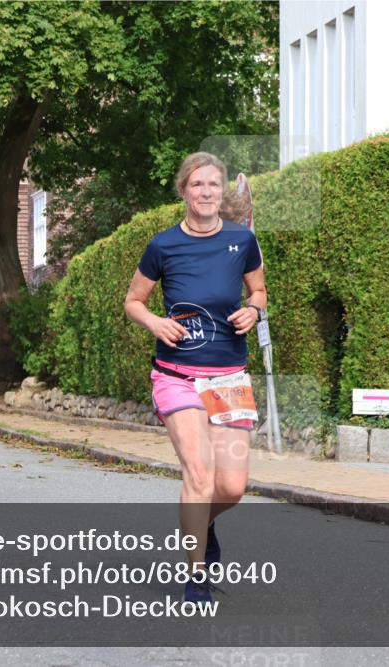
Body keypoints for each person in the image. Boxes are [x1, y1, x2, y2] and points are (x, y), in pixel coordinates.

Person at [124, 152, 267, 605]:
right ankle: (196, 575)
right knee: (199, 474)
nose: (206, 192)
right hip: (177, 375)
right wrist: (155, 322)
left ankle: (201, 523)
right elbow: (133, 301)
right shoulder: (163, 245)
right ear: (184, 190)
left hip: (228, 377)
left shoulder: (242, 240)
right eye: (197, 184)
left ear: (222, 192)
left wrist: (254, 309)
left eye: (214, 184)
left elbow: (259, 290)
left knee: (232, 488)